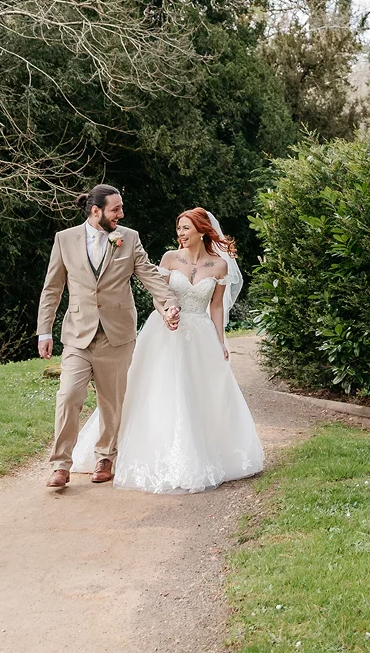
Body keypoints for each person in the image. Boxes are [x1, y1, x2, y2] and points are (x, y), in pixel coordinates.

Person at [105, 208, 265, 493]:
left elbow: (216, 307)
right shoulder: (169, 258)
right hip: (166, 331)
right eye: (178, 228)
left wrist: (220, 341)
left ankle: (203, 453)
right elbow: (158, 293)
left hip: (200, 333)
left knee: (199, 394)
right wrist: (166, 312)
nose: (180, 233)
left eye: (186, 228)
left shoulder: (218, 266)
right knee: (161, 389)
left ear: (202, 230)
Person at [35, 184, 178, 490]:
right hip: (78, 333)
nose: (121, 214)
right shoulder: (65, 239)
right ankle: (60, 464)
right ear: (95, 210)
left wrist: (169, 302)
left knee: (112, 401)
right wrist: (44, 330)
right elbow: (52, 288)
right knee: (69, 396)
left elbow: (149, 274)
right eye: (116, 209)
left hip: (117, 333)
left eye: (121, 209)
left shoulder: (129, 238)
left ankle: (106, 457)